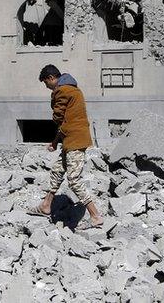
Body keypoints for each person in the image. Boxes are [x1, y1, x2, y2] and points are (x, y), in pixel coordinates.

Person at [29, 64, 104, 228]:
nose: (47, 87)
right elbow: (67, 122)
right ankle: (46, 205)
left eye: (45, 83)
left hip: (75, 142)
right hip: (71, 140)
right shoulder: (72, 89)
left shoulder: (62, 91)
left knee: (73, 179)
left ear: (51, 78)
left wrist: (54, 100)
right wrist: (56, 142)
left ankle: (95, 215)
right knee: (57, 170)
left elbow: (58, 117)